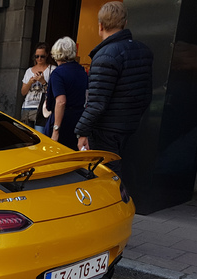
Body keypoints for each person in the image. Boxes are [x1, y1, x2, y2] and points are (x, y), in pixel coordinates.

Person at [75, 1, 153, 178]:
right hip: (130, 125)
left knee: (105, 175)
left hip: (106, 129)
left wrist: (82, 131)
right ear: (125, 23)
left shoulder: (105, 56)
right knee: (121, 171)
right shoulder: (143, 51)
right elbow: (146, 94)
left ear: (100, 26)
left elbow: (96, 104)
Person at [45, 37, 88, 150]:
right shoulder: (82, 71)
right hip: (79, 119)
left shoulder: (58, 73)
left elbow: (61, 102)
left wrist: (56, 130)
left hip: (62, 120)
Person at [20, 43, 54, 133]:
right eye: (37, 56)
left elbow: (53, 92)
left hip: (42, 108)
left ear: (47, 55)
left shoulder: (52, 70)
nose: (39, 59)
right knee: (26, 137)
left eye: (42, 56)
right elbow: (23, 92)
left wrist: (43, 82)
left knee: (40, 135)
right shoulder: (29, 71)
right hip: (27, 107)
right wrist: (30, 82)